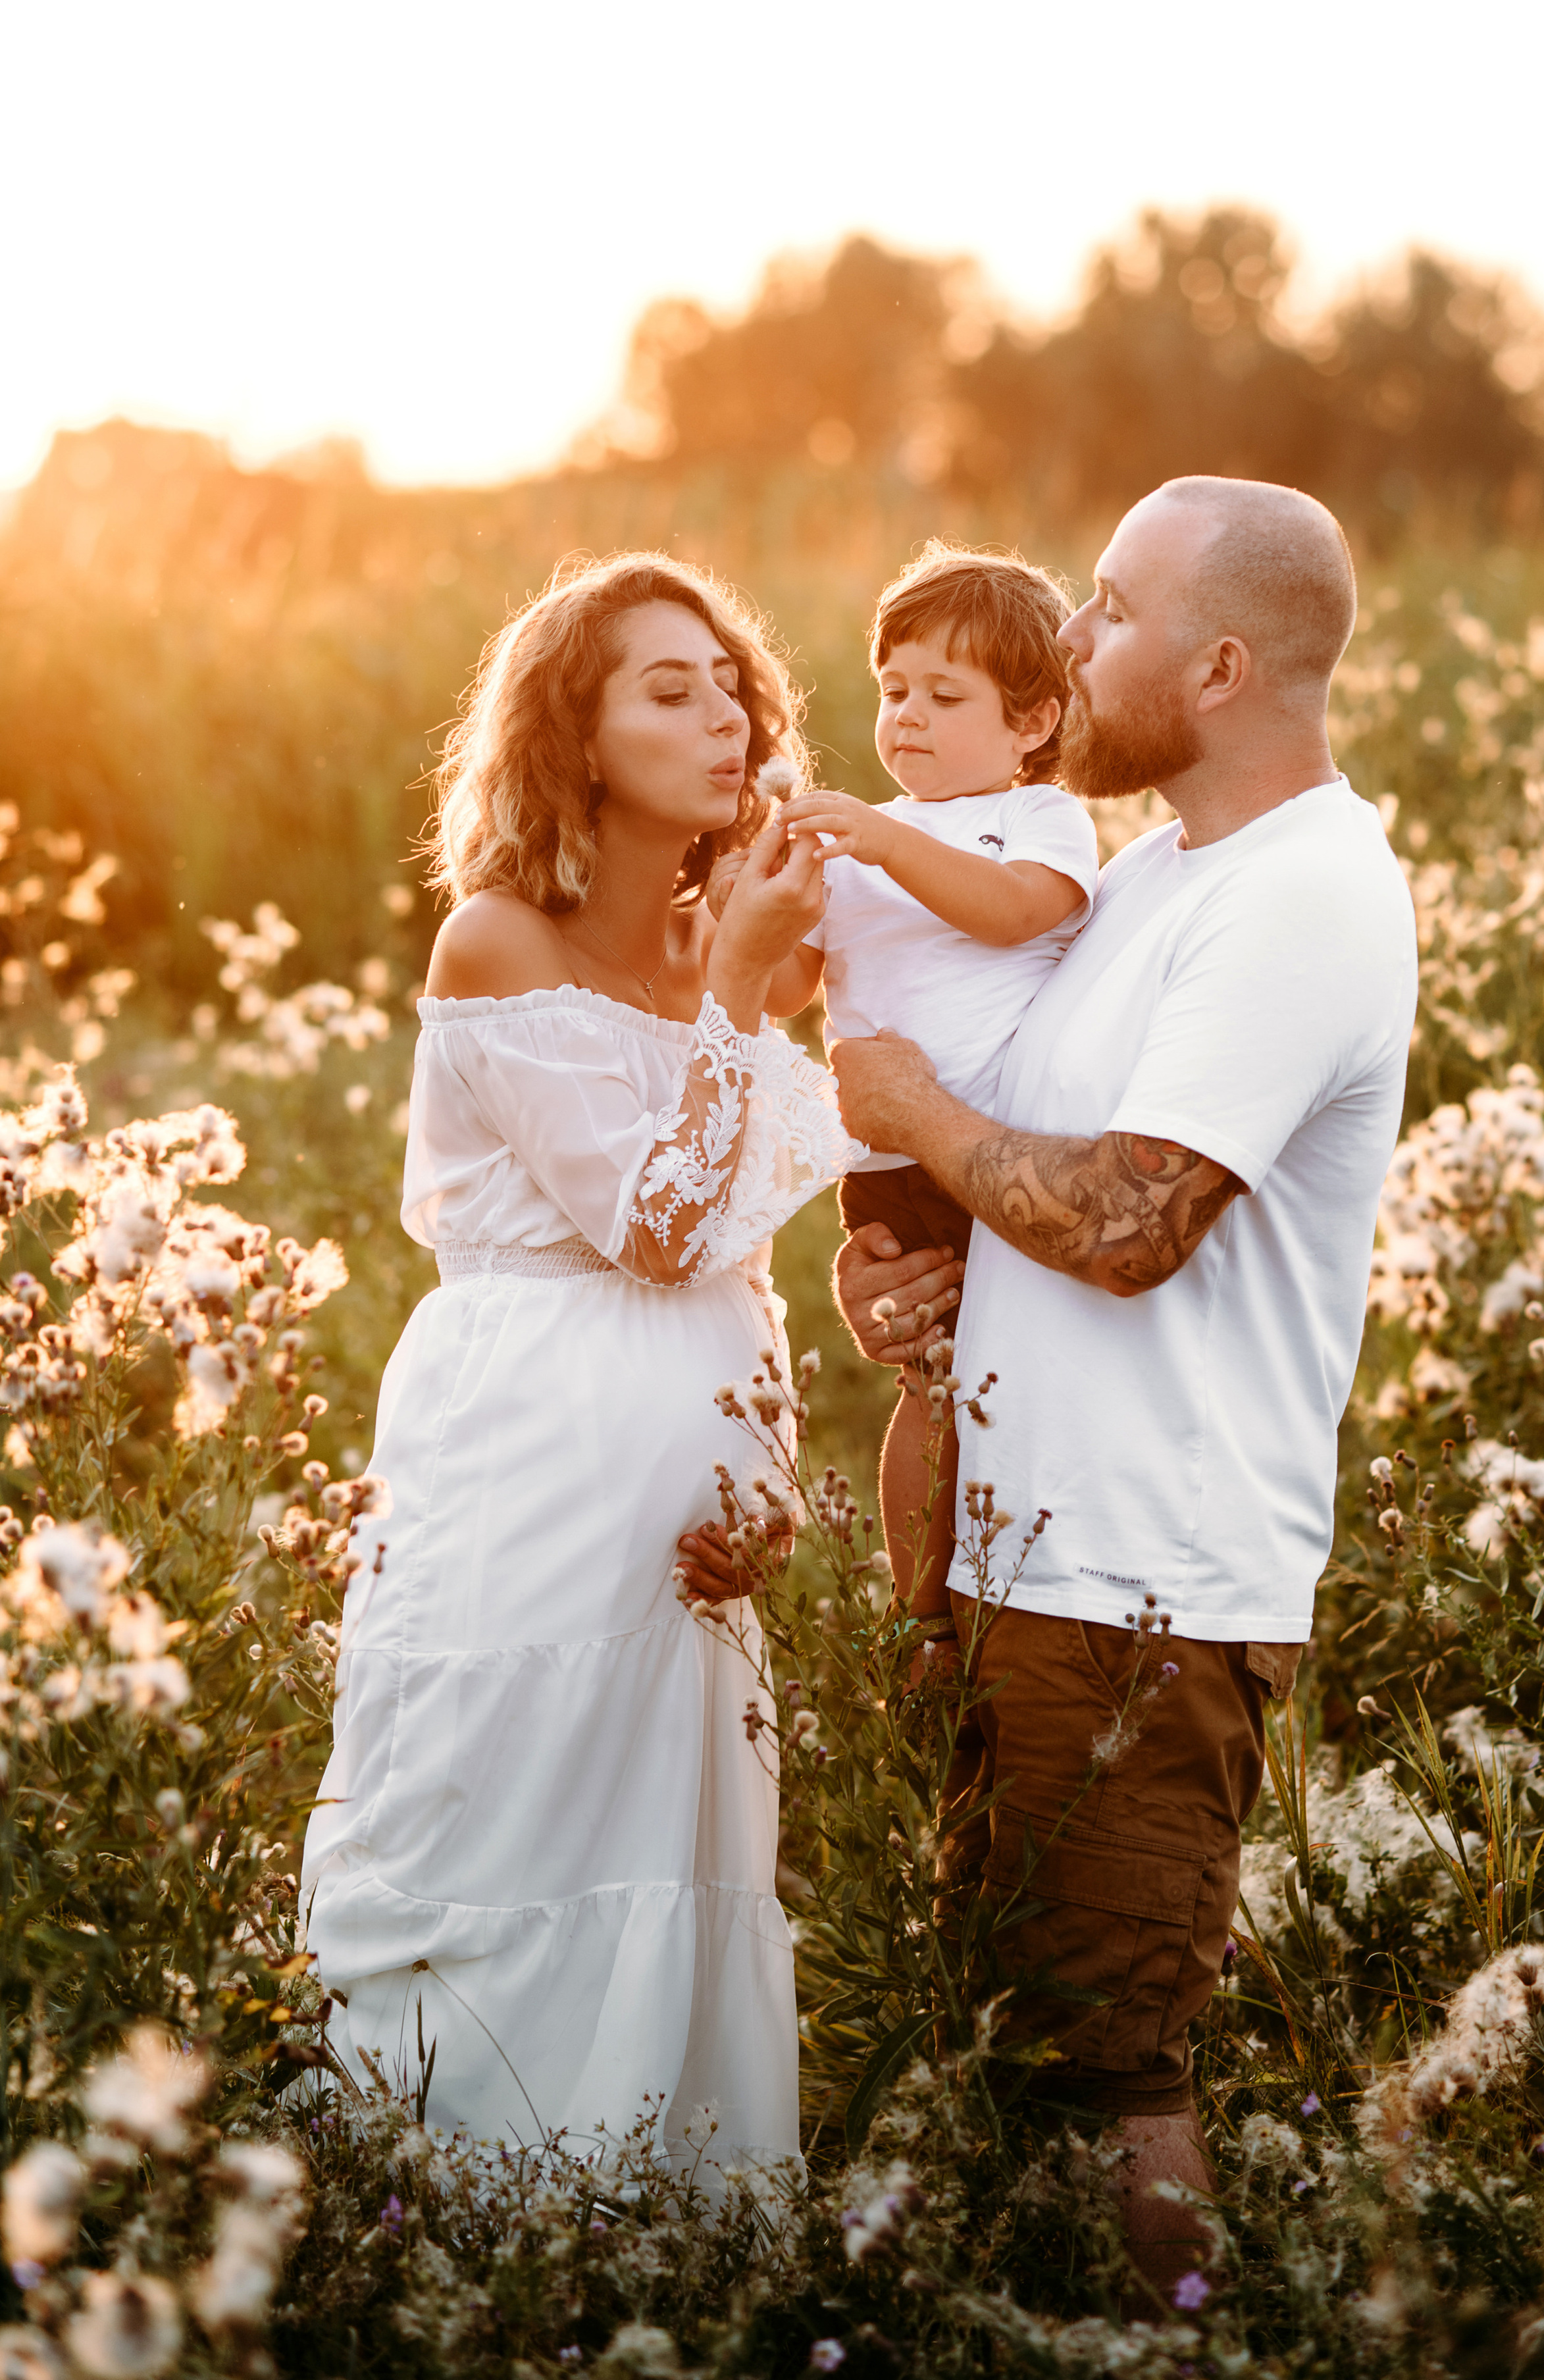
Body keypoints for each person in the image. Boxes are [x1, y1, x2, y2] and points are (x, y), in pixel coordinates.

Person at [825, 478, 1418, 2292]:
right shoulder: (1150, 871)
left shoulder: (1305, 893)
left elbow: (1137, 1217)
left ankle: (1170, 2344)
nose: (1070, 644)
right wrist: (903, 1270)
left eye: (1107, 609)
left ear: (1222, 662)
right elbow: (1032, 1170)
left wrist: (919, 1112)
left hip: (1145, 1585)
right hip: (1026, 1563)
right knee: (1013, 2042)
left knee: (1111, 2078)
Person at [299, 553, 856, 2175]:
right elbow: (657, 1230)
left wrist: (761, 1472)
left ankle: (653, 2247)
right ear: (575, 734)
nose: (722, 714)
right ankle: (451, 2227)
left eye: (730, 682)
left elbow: (739, 1268)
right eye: (663, 688)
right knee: (507, 1820)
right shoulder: (500, 943)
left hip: (682, 1502)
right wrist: (745, 986)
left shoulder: (730, 946)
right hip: (525, 1455)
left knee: (664, 1842)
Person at [742, 543, 1098, 1623]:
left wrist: (888, 842)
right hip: (895, 1163)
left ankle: (1030, 1591)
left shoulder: (1040, 822)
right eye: (895, 690)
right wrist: (757, 911)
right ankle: (922, 1611)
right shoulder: (855, 846)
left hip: (1004, 1150)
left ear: (1032, 723)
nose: (908, 717)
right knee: (932, 1387)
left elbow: (1013, 912)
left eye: (947, 696)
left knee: (1027, 1383)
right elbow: (795, 989)